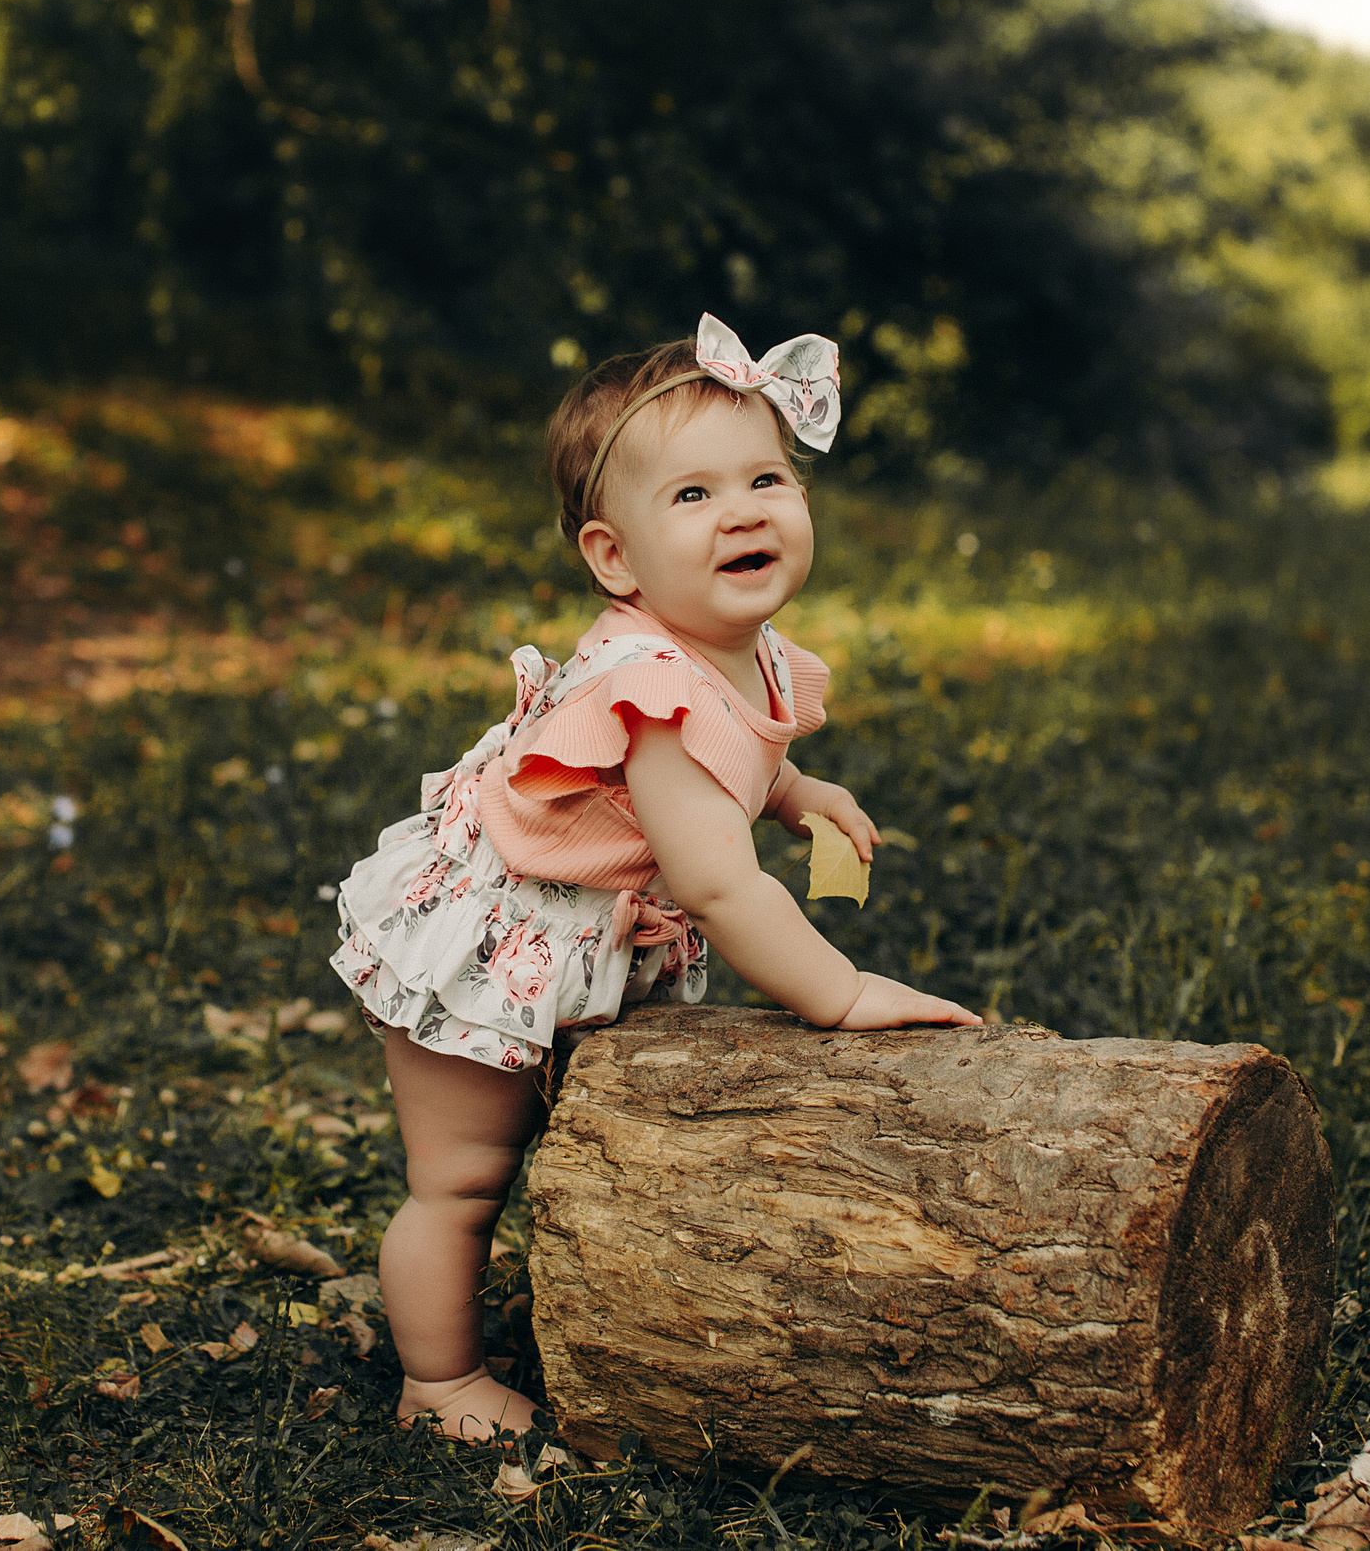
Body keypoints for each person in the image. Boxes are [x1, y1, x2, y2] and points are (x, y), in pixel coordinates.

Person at [328, 314, 982, 1444]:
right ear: (613, 558)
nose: (741, 511)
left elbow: (737, 760)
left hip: (579, 923)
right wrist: (840, 992)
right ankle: (436, 1385)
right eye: (691, 496)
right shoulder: (653, 688)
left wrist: (796, 794)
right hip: (493, 939)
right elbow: (719, 884)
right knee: (463, 1177)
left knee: (555, 1148)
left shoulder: (738, 649)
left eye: (766, 478)